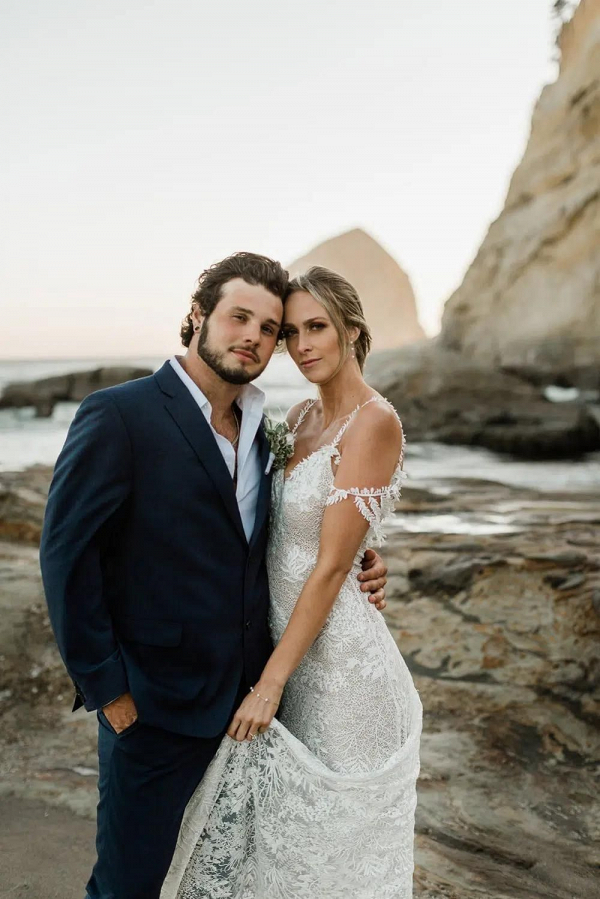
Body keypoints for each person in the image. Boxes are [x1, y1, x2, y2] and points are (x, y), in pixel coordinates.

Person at [39, 253, 389, 899]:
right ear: (198, 315)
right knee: (128, 885)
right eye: (239, 317)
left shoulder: (265, 431)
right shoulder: (120, 414)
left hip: (249, 706)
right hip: (152, 709)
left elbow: (287, 536)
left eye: (269, 326)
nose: (253, 336)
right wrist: (108, 692)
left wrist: (360, 559)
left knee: (220, 880)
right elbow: (65, 556)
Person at [162, 266, 423, 899]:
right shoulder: (301, 416)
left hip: (340, 672)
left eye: (317, 328)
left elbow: (332, 566)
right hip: (284, 647)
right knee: (283, 837)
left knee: (333, 843)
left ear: (351, 332)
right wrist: (371, 553)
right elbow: (282, 531)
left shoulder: (373, 422)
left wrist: (268, 686)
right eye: (292, 333)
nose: (302, 345)